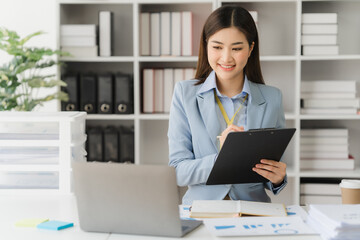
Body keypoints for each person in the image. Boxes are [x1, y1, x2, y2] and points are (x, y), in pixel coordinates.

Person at [168, 5, 287, 205]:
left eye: (237, 48)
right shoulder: (184, 94)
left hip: (252, 210)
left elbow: (271, 174)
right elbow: (178, 172)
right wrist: (222, 159)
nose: (226, 58)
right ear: (206, 46)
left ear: (250, 49)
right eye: (217, 47)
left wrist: (278, 179)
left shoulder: (272, 98)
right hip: (201, 210)